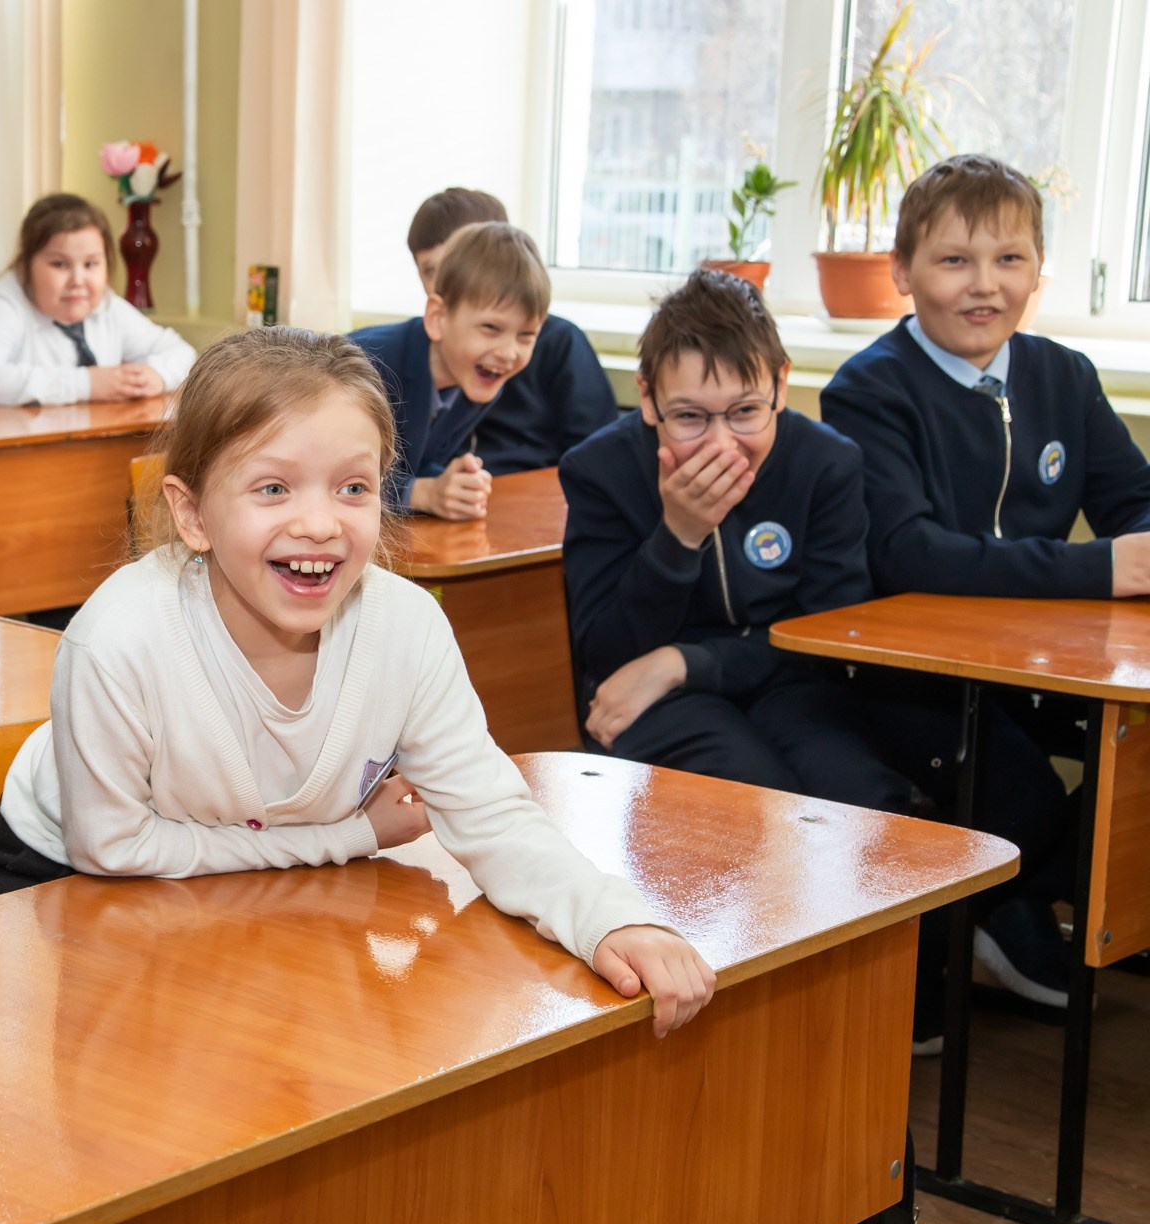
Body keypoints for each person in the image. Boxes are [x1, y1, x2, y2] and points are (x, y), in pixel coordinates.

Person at [0, 327, 716, 1039]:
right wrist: (350, 836)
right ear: (191, 513)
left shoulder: (405, 626)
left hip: (253, 880)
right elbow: (115, 849)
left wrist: (609, 918)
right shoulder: (117, 641)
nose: (321, 524)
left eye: (353, 487)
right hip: (67, 877)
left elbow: (491, 814)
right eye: (273, 488)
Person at [821, 153, 1150, 1015]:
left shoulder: (1064, 375)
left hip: (1040, 661)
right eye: (954, 260)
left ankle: (1008, 899)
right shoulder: (869, 390)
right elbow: (909, 554)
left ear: (1039, 272)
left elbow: (1134, 498)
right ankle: (964, 921)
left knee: (1132, 762)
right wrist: (1100, 566)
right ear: (902, 272)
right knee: (1027, 796)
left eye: (1009, 259)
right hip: (909, 676)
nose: (984, 285)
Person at [560, 268, 909, 815]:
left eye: (745, 411)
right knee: (751, 799)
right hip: (651, 698)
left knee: (862, 799)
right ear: (648, 398)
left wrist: (686, 661)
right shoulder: (600, 470)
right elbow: (604, 652)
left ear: (781, 385)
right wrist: (678, 537)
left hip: (784, 680)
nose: (722, 444)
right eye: (690, 417)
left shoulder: (826, 463)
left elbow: (827, 636)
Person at [403, 187, 616, 471]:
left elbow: (599, 456)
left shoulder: (560, 343)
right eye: (431, 271)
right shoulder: (416, 355)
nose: (445, 281)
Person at [351, 223, 549, 520]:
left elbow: (413, 462)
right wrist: (423, 493)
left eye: (526, 335)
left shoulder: (481, 375)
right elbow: (331, 474)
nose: (509, 353)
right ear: (437, 318)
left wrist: (450, 482)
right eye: (490, 328)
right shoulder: (367, 366)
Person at [0, 192, 195, 405]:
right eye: (60, 264)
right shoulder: (3, 303)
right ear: (24, 266)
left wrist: (157, 375)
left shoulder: (106, 305)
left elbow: (183, 353)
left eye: (91, 264)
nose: (78, 280)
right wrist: (86, 383)